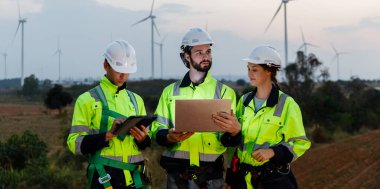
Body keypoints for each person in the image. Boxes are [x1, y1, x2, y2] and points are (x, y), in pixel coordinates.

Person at [151, 28, 240, 189]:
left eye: (208, 51)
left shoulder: (226, 92)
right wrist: (169, 137)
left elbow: (230, 139)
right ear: (187, 56)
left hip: (211, 174)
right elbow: (157, 129)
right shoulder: (170, 92)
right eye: (199, 52)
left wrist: (235, 132)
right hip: (178, 174)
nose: (205, 56)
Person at [213, 45, 311, 189]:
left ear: (269, 71)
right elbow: (235, 146)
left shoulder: (287, 104)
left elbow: (300, 143)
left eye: (255, 69)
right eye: (248, 68)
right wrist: (231, 178)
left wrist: (273, 152)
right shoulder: (244, 101)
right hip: (243, 180)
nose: (249, 73)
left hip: (273, 181)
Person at [67, 40, 151, 189]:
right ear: (106, 65)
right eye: (118, 69)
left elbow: (145, 144)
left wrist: (143, 139)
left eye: (127, 71)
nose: (123, 75)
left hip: (136, 177)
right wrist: (108, 135)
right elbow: (74, 143)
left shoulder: (137, 100)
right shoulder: (87, 100)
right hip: (105, 177)